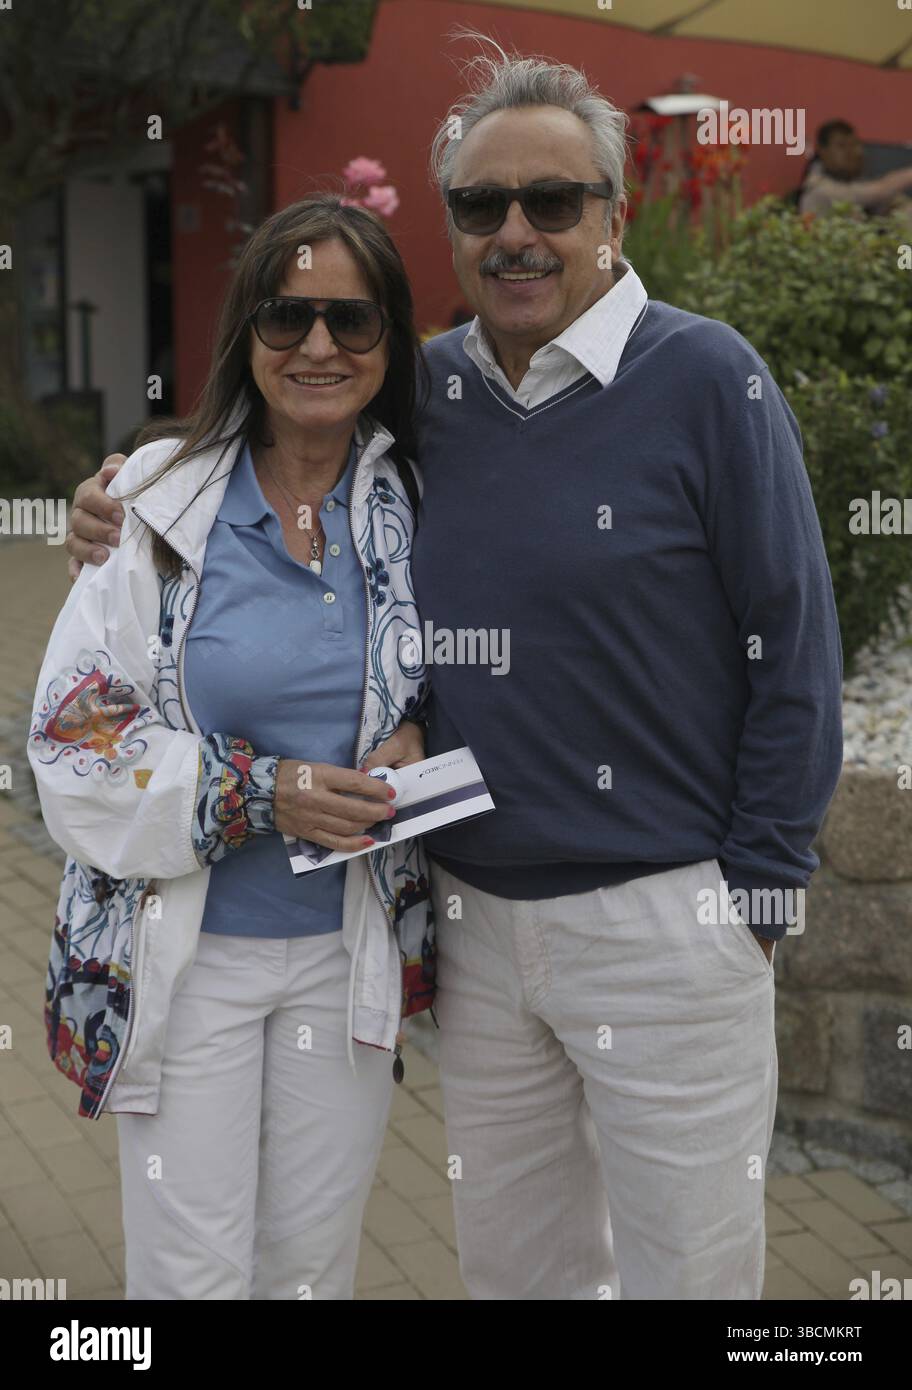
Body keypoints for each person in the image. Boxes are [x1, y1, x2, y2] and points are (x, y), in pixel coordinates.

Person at [66, 37, 844, 1300]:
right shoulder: (424, 392)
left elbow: (797, 651)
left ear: (615, 213)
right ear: (453, 224)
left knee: (687, 1277)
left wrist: (757, 897)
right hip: (475, 926)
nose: (518, 232)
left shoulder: (711, 380)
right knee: (514, 1272)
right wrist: (121, 491)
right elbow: (277, 433)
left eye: (553, 201)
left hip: (669, 921)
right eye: (483, 206)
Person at [29, 194, 435, 1300]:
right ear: (244, 334)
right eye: (285, 315)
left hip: (343, 956)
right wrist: (266, 792)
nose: (315, 346)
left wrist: (421, 731)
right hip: (186, 962)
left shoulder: (420, 502)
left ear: (389, 339)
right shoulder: (154, 504)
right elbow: (71, 742)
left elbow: (495, 667)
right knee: (191, 1280)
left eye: (350, 321)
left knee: (308, 1272)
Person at [798, 119, 912, 221]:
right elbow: (877, 192)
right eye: (841, 146)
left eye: (854, 144)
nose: (851, 152)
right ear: (823, 151)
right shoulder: (817, 188)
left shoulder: (860, 181)